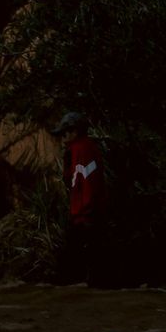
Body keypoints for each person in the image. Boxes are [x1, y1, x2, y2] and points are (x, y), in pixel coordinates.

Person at [57, 109, 110, 281]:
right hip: (84, 216)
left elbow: (88, 183)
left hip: (87, 217)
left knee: (86, 267)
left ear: (74, 131)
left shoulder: (83, 149)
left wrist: (86, 214)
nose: (62, 138)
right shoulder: (76, 150)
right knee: (85, 266)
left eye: (64, 133)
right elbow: (74, 181)